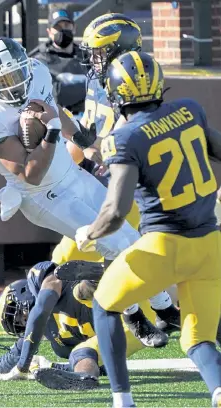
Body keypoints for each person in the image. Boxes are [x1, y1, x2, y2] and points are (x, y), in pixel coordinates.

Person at [0, 36, 167, 347]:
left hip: (72, 175)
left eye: (17, 73)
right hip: (44, 196)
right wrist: (51, 130)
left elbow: (54, 108)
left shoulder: (38, 72)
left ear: (26, 66)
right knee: (115, 244)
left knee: (133, 238)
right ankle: (133, 313)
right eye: (3, 79)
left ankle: (164, 306)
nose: (14, 83)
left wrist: (86, 140)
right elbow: (32, 175)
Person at [74, 50, 221, 408]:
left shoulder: (123, 138)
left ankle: (122, 401)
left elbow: (116, 212)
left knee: (106, 304)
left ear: (115, 93)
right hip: (210, 245)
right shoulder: (189, 109)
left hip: (163, 247)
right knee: (198, 339)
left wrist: (89, 233)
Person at [51, 13, 180, 338]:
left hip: (127, 190)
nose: (92, 59)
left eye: (99, 52)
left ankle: (127, 318)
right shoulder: (99, 80)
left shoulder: (135, 88)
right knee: (63, 258)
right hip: (96, 187)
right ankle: (77, 323)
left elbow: (125, 143)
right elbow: (90, 138)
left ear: (117, 52)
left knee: (127, 258)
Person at [0, 261, 158, 389]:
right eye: (18, 324)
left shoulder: (41, 282)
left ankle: (98, 277)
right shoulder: (59, 346)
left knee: (79, 292)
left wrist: (23, 366)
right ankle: (84, 380)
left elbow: (40, 311)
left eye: (17, 314)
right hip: (137, 329)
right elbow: (104, 366)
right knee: (82, 355)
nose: (23, 320)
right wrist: (51, 366)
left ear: (22, 292)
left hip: (122, 300)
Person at [30, 9, 86, 116]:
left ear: (74, 28)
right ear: (49, 32)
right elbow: (55, 94)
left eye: (66, 25)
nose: (63, 30)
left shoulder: (86, 56)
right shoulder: (39, 60)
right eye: (57, 27)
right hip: (58, 121)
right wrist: (89, 86)